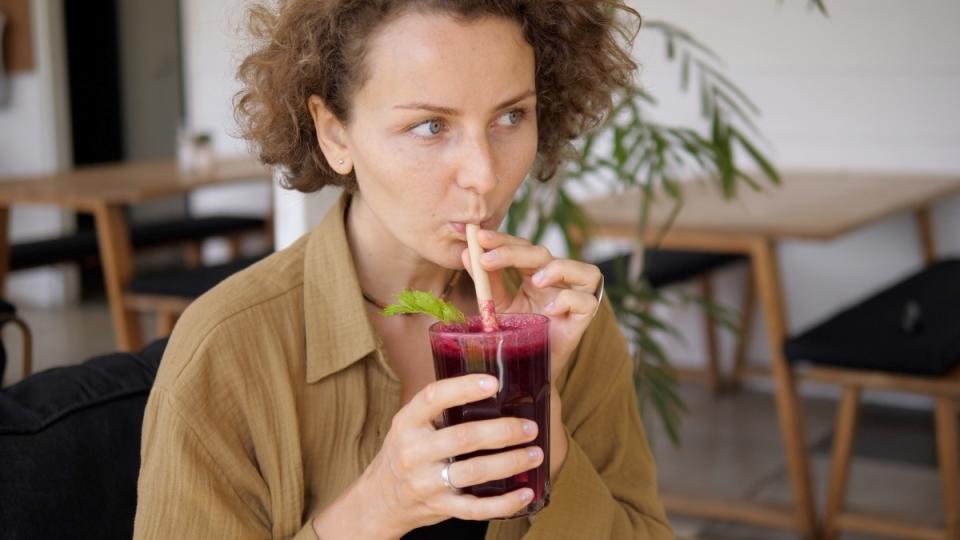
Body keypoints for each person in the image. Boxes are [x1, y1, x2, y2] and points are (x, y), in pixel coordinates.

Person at [133, 1, 672, 538]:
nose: (483, 175)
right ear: (334, 134)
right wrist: (377, 507)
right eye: (431, 126)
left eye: (511, 116)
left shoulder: (562, 324)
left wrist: (549, 451)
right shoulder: (226, 349)